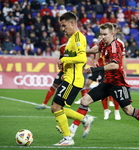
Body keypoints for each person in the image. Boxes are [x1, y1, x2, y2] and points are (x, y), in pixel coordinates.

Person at [59, 23, 139, 144]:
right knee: (84, 101)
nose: (102, 37)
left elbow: (114, 65)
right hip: (106, 82)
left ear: (112, 33)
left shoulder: (116, 46)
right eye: (101, 34)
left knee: (129, 111)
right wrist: (83, 52)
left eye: (105, 34)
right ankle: (72, 131)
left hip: (117, 83)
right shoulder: (103, 43)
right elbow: (97, 48)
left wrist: (95, 69)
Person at [51, 12, 94, 146]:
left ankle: (68, 138)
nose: (63, 29)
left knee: (56, 107)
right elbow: (76, 60)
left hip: (74, 80)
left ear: (72, 23)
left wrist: (64, 59)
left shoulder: (78, 38)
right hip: (70, 77)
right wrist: (66, 69)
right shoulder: (71, 39)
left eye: (64, 25)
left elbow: (82, 58)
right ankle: (85, 119)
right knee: (57, 108)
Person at [35, 44, 66, 109]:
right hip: (63, 71)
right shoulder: (62, 47)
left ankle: (84, 105)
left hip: (72, 72)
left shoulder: (76, 47)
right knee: (54, 85)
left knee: (75, 88)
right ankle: (44, 104)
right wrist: (60, 64)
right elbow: (61, 58)